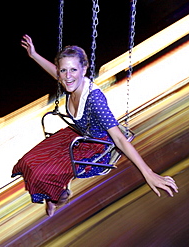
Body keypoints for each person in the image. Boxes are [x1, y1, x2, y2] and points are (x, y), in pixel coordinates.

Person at [12, 34, 178, 216]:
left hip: (95, 147)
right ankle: (52, 194)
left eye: (73, 70)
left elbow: (119, 139)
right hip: (76, 134)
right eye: (63, 71)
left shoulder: (94, 99)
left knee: (41, 173)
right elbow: (55, 72)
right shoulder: (68, 80)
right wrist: (34, 54)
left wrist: (149, 173)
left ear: (84, 69)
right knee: (28, 162)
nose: (68, 77)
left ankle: (59, 197)